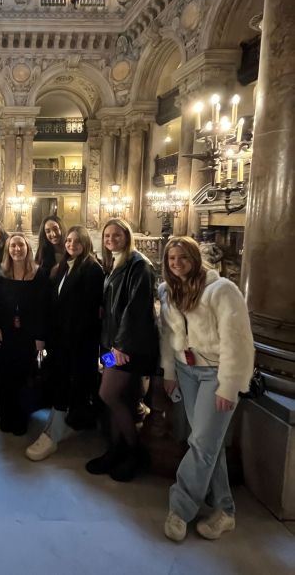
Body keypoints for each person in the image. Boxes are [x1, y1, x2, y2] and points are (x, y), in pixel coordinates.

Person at [159, 237, 254, 542]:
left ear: (196, 258)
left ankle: (180, 508)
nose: (177, 263)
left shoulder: (222, 290)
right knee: (207, 443)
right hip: (186, 370)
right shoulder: (168, 291)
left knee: (201, 442)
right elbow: (168, 336)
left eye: (183, 257)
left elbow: (237, 341)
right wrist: (170, 372)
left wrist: (229, 386)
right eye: (171, 258)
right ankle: (225, 510)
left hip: (215, 373)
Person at [85, 217, 159, 482]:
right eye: (107, 236)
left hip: (127, 349)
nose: (111, 240)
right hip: (112, 345)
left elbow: (136, 309)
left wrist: (120, 346)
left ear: (127, 236)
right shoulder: (117, 262)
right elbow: (114, 303)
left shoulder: (139, 265)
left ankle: (134, 452)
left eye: (117, 235)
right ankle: (116, 451)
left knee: (109, 395)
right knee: (119, 398)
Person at [25, 225, 104, 461]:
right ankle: (59, 425)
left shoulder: (92, 270)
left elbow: (89, 312)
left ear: (86, 243)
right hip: (60, 340)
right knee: (59, 382)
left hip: (79, 343)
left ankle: (55, 433)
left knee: (70, 384)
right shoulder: (63, 268)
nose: (71, 245)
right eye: (69, 241)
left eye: (77, 241)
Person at [0, 234, 47, 435]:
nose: (16, 249)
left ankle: (21, 417)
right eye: (12, 245)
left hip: (28, 334)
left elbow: (43, 308)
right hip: (4, 332)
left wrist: (40, 336)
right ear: (8, 250)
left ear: (27, 248)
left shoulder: (39, 274)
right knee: (5, 374)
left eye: (20, 245)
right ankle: (6, 415)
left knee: (24, 375)